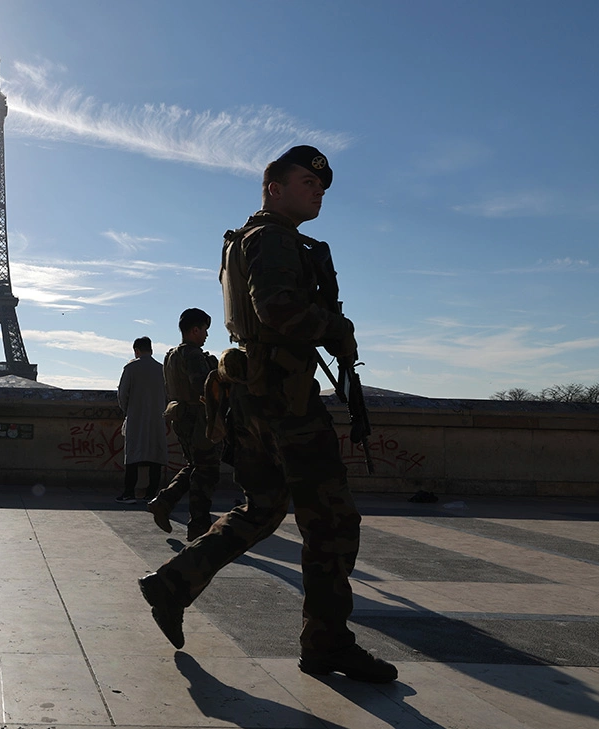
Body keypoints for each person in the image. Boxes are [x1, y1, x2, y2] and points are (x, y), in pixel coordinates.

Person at [138, 146, 397, 684]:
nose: (318, 190)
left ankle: (173, 583)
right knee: (332, 521)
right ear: (273, 188)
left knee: (262, 508)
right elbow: (277, 310)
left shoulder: (246, 239)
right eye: (307, 182)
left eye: (322, 185)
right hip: (286, 400)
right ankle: (326, 643)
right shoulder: (275, 239)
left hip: (251, 397)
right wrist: (335, 327)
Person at [146, 309, 221, 539]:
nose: (206, 335)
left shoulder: (171, 355)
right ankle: (198, 523)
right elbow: (203, 387)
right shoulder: (193, 355)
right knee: (206, 470)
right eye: (205, 330)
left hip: (181, 417)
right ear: (194, 330)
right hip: (198, 419)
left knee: (195, 465)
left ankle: (165, 502)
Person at [115, 336, 168, 504]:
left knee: (132, 456)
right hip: (157, 418)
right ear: (151, 350)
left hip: (136, 417)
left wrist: (128, 410)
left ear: (136, 350)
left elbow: (122, 395)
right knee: (155, 457)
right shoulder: (161, 369)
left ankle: (129, 492)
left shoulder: (130, 368)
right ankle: (152, 493)